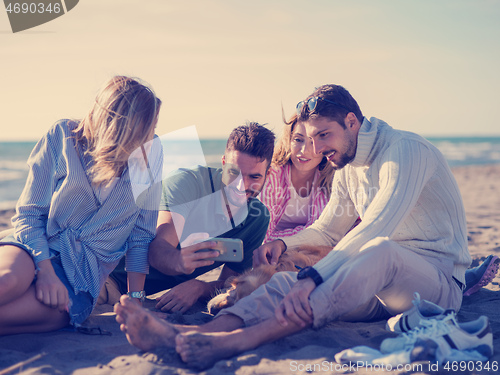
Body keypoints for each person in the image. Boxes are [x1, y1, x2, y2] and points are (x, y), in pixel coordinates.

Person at [114, 83, 475, 369]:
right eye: (309, 137)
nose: (316, 148)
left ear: (352, 122)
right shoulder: (347, 169)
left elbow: (377, 228)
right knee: (287, 281)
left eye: (324, 135)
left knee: (374, 252)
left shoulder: (405, 150)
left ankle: (239, 342)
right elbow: (328, 230)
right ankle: (195, 334)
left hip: (435, 285)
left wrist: (316, 278)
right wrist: (284, 247)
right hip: (379, 290)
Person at [0, 76, 162, 335]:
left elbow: (141, 236)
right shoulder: (62, 135)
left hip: (81, 280)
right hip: (34, 247)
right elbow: (30, 214)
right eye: (148, 128)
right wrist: (46, 271)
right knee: (6, 283)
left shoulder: (151, 154)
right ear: (126, 129)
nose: (152, 135)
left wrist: (136, 299)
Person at [104, 122, 275, 313]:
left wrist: (199, 287)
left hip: (135, 298)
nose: (240, 186)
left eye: (254, 177)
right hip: (108, 276)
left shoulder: (257, 218)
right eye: (234, 173)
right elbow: (157, 249)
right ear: (224, 163)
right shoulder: (187, 183)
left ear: (267, 175)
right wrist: (178, 261)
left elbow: (229, 284)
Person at [258, 113, 334, 245]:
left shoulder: (329, 178)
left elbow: (327, 234)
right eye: (298, 140)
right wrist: (309, 234)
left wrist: (315, 235)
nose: (304, 150)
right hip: (272, 251)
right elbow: (261, 237)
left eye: (313, 142)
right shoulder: (272, 175)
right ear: (288, 140)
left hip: (310, 250)